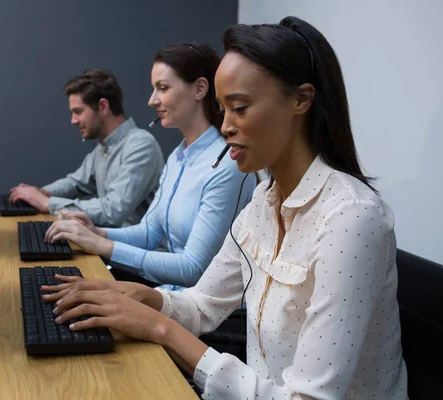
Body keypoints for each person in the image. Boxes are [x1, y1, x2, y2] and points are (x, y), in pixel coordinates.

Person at [41, 17, 408, 399]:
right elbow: (202, 305)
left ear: (300, 100)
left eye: (240, 108)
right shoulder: (262, 202)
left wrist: (158, 327)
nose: (226, 126)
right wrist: (139, 297)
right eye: (222, 109)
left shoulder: (352, 218)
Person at [45, 43, 256, 289]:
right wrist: (98, 233)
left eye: (162, 88)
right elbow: (149, 232)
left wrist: (103, 246)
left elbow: (193, 269)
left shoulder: (226, 165)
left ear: (199, 88)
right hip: (170, 293)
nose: (152, 100)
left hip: (203, 311)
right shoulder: (178, 157)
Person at [9, 69, 164, 228]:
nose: (73, 121)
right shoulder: (103, 147)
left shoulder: (141, 145)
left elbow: (113, 211)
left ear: (103, 106)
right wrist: (42, 193)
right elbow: (74, 183)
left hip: (138, 250)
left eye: (78, 112)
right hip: (111, 244)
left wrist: (47, 203)